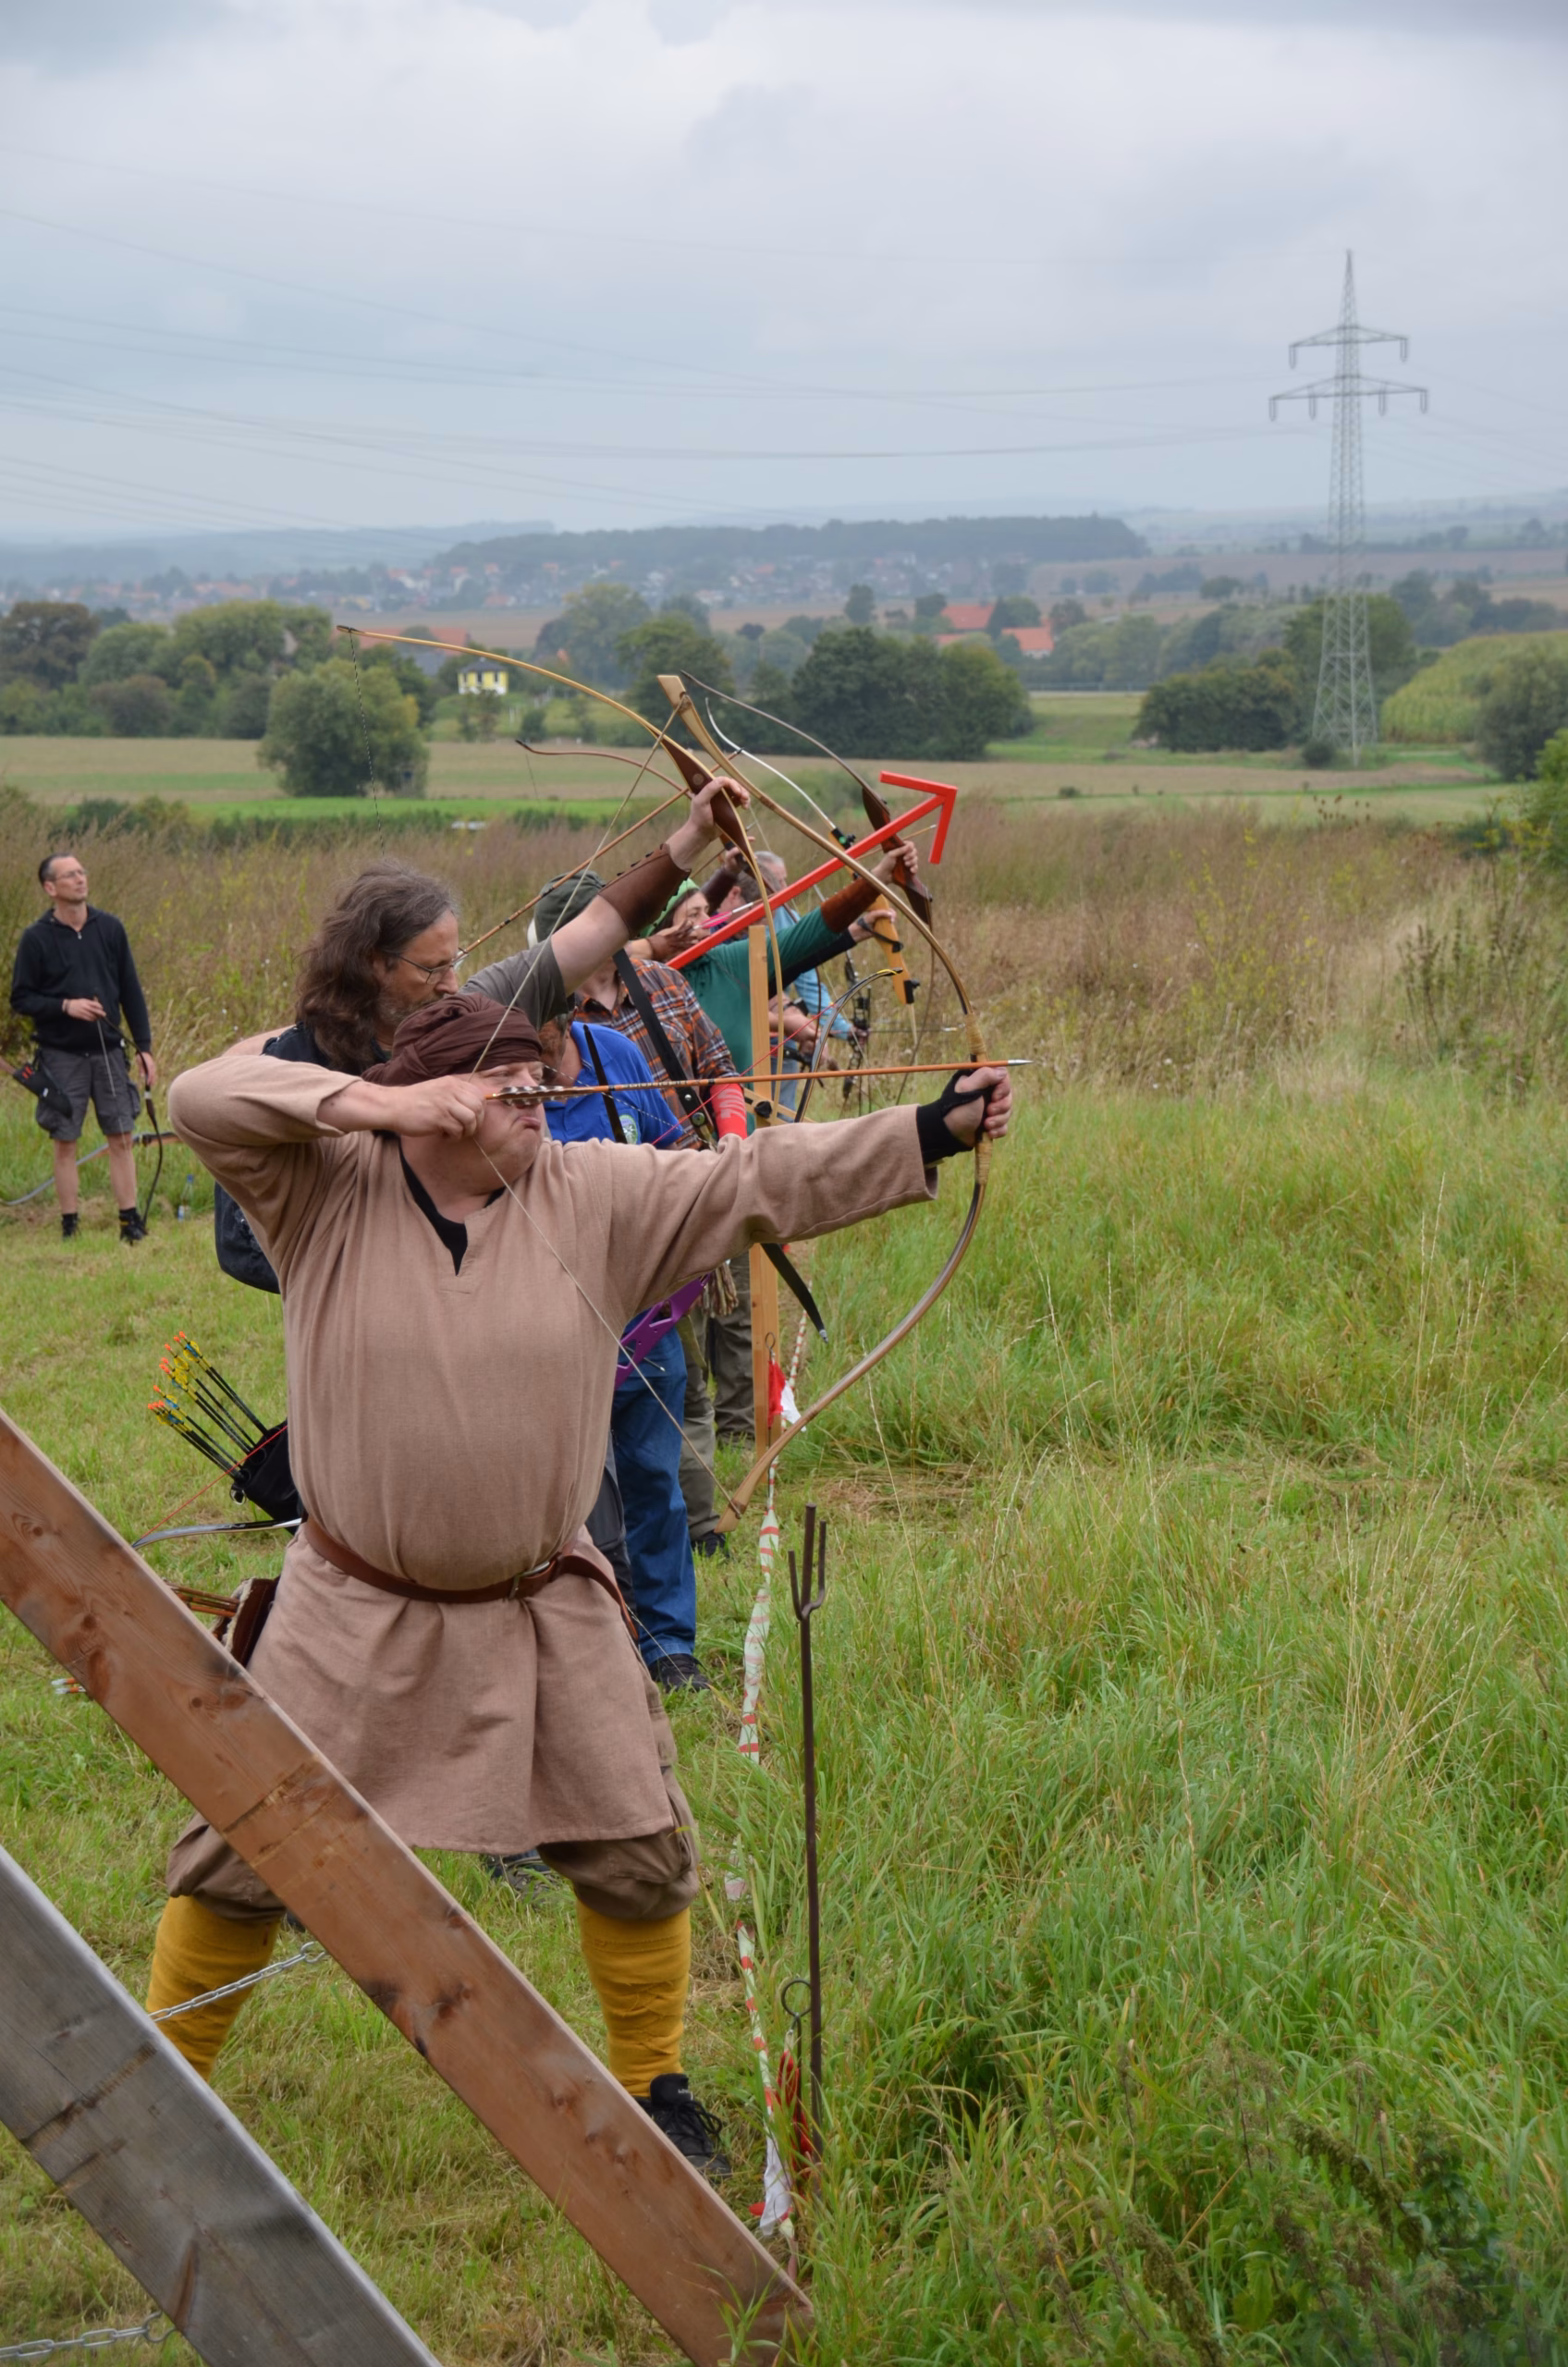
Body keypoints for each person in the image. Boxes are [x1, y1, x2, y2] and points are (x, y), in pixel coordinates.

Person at [148, 989, 1011, 2177]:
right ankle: (163, 2085)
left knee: (637, 1844)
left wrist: (928, 1132)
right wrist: (385, 1100)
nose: (543, 1109)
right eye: (517, 1094)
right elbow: (201, 1097)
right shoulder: (322, 1190)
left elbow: (749, 1179)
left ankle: (656, 2086)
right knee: (243, 1854)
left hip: (537, 1596)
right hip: (346, 1602)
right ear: (441, 1105)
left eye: (545, 1087)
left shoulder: (591, 1189)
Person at [215, 775, 747, 1293]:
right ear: (371, 963)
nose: (451, 984)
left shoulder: (468, 1013)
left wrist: (694, 833)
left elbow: (599, 924)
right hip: (361, 1302)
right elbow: (240, 1217)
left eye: (455, 961)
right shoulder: (301, 1059)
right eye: (431, 968)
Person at [471, 872, 748, 1557]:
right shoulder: (506, 1042)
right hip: (554, 1294)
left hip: (648, 1264)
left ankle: (697, 1535)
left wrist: (727, 1152)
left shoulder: (647, 1004)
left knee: (675, 1405)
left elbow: (710, 1081)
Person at [537, 1013, 709, 1691]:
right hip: (550, 1329)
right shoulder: (497, 1074)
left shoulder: (611, 1052)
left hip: (644, 1317)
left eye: (550, 1033)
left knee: (654, 1485)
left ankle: (669, 1646)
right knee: (564, 1501)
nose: (543, 1055)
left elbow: (673, 1154)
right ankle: (583, 1647)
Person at [9, 851, 156, 1244]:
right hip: (60, 1055)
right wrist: (65, 1006)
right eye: (69, 875)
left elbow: (131, 991)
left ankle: (130, 1222)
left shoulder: (110, 929)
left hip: (109, 1050)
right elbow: (20, 998)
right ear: (50, 887)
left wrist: (144, 1048)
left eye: (81, 872)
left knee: (122, 1137)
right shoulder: (36, 938)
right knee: (65, 1142)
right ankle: (69, 1225)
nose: (79, 879)